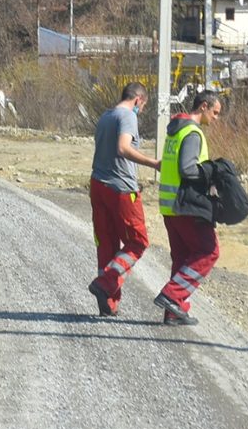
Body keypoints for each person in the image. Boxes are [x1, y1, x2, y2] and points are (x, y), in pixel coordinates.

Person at [86, 82, 162, 316]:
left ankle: (108, 303)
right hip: (121, 189)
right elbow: (123, 148)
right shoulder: (128, 116)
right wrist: (154, 163)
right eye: (143, 106)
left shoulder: (105, 117)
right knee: (138, 242)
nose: (142, 110)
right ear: (138, 100)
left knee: (107, 244)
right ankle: (106, 284)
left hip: (98, 185)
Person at [154, 90, 225, 326]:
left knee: (182, 257)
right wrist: (209, 177)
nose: (216, 118)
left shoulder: (176, 129)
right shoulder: (193, 133)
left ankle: (174, 311)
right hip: (186, 205)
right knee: (209, 251)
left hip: (170, 206)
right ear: (203, 106)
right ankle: (172, 296)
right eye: (215, 113)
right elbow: (187, 169)